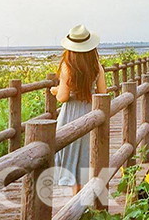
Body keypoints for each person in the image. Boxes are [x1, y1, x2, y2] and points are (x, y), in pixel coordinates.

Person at [50, 24, 107, 195]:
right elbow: (103, 93)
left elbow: (62, 97)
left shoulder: (68, 67)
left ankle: (76, 199)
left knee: (70, 153)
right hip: (89, 112)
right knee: (85, 155)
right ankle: (82, 198)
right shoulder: (97, 66)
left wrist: (55, 91)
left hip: (71, 114)